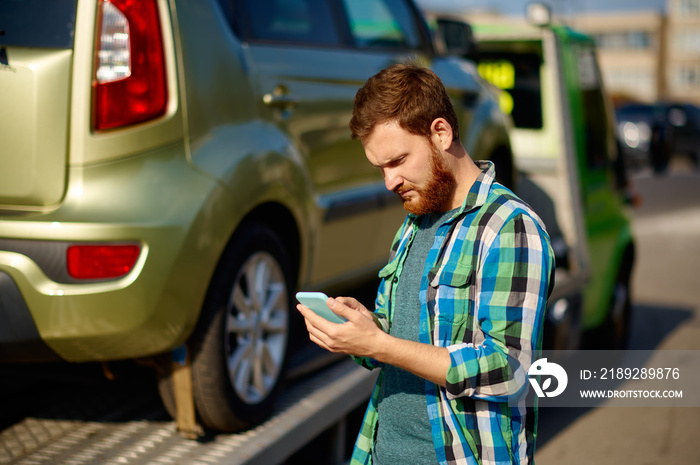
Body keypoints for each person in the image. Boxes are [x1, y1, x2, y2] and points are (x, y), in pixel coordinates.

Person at [296, 63, 555, 465]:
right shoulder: (415, 222)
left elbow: (510, 371)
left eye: (398, 160)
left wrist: (381, 345)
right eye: (380, 167)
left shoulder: (511, 228)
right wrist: (364, 330)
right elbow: (403, 341)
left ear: (441, 132)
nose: (389, 181)